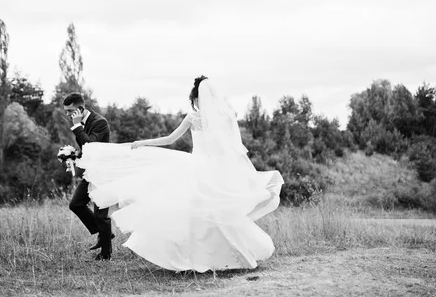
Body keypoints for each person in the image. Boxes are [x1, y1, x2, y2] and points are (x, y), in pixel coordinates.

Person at [77, 77, 284, 272]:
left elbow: (170, 139)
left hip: (195, 168)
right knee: (215, 213)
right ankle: (230, 256)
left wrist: (144, 142)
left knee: (191, 214)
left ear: (195, 99)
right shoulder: (226, 117)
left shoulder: (193, 117)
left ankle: (196, 258)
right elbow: (234, 148)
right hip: (216, 170)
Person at [63, 92, 113, 261]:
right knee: (76, 204)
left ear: (80, 108)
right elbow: (86, 149)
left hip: (104, 173)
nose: (68, 115)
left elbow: (91, 146)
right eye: (67, 111)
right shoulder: (81, 123)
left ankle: (106, 253)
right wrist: (73, 155)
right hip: (91, 172)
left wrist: (77, 127)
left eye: (70, 111)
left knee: (100, 214)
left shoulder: (100, 122)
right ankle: (104, 233)